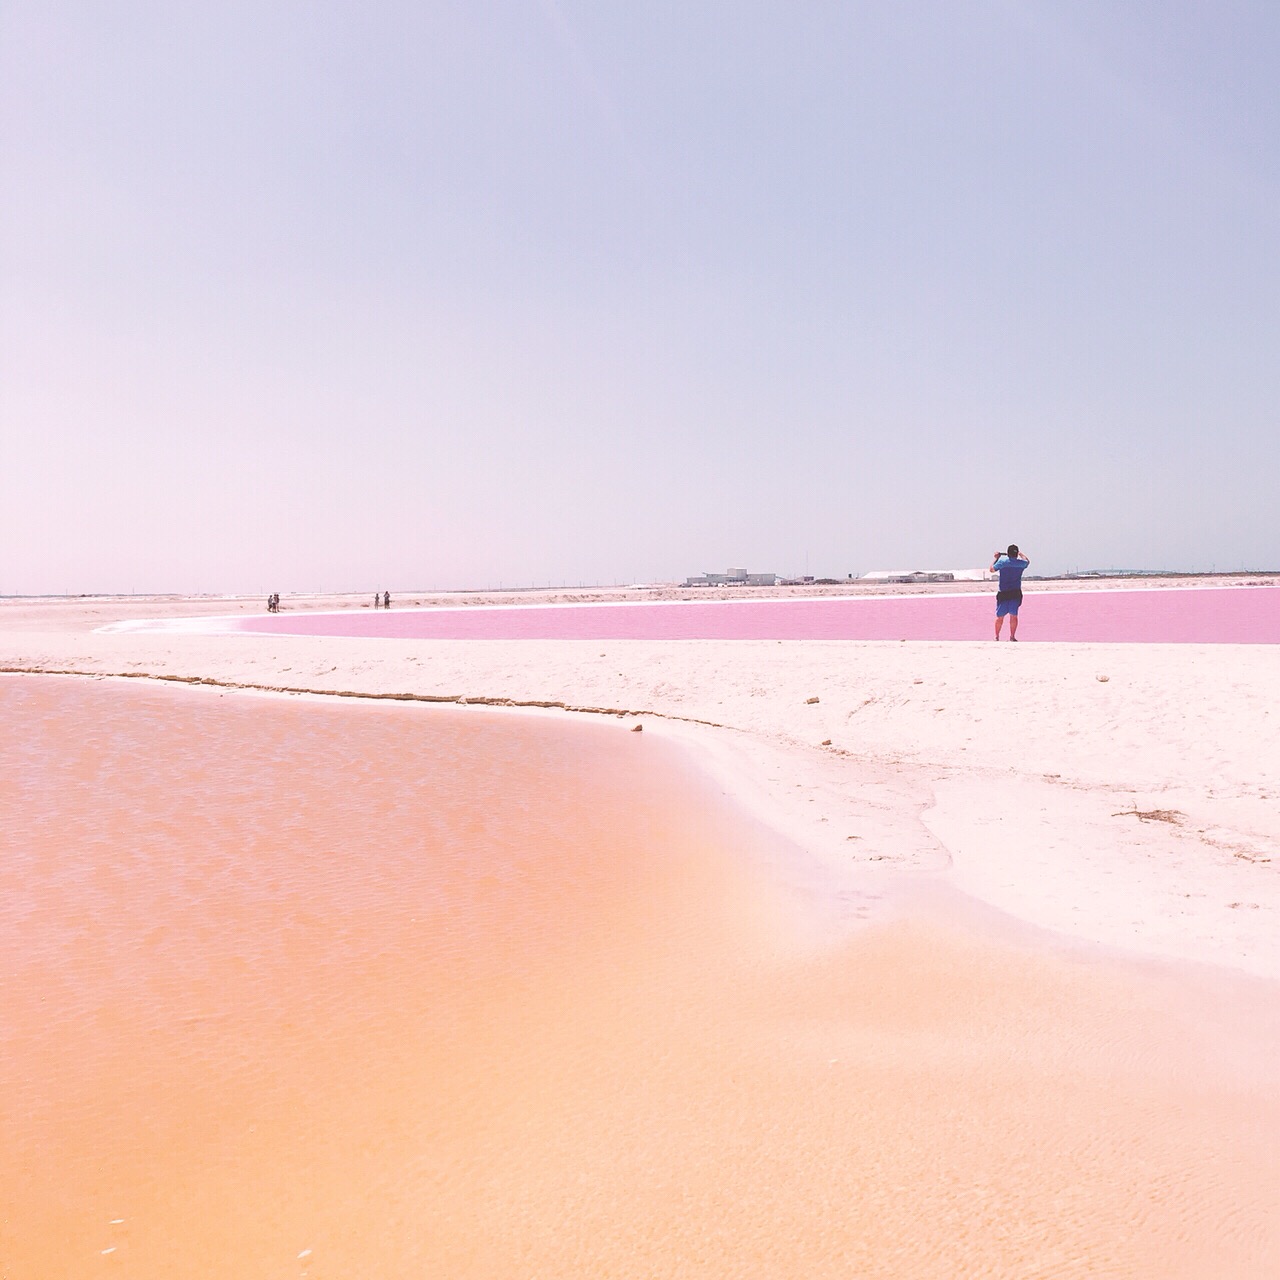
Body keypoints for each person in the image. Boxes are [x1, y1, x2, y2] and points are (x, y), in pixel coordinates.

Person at [990, 544, 1029, 640]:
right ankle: (1012, 636)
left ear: (1008, 554)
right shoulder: (1020, 563)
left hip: (1003, 592)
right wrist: (1021, 554)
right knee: (1014, 615)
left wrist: (996, 558)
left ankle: (996, 636)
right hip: (1015, 592)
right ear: (1016, 554)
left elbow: (991, 569)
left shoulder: (1003, 562)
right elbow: (1027, 561)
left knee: (1000, 616)